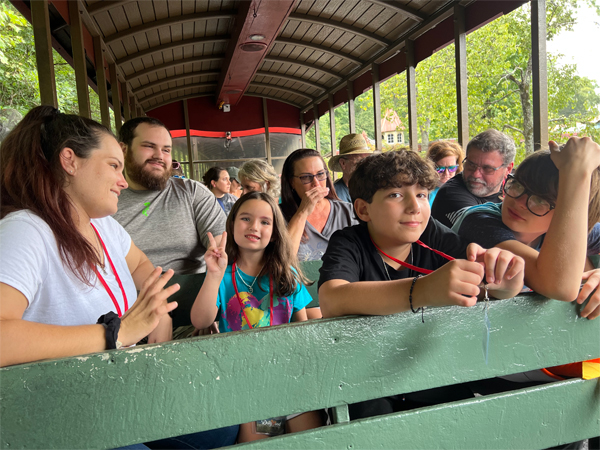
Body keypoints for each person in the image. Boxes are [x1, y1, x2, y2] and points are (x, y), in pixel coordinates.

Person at [0, 107, 239, 450]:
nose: (123, 180)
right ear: (71, 161)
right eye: (113, 165)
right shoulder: (26, 230)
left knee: (220, 429)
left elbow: (142, 266)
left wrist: (159, 312)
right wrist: (118, 332)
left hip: (116, 386)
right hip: (60, 408)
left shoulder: (101, 225)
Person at [317, 150, 524, 420]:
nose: (415, 206)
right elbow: (333, 299)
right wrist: (423, 290)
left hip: (430, 369)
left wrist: (507, 279)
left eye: (422, 194)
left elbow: (489, 286)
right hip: (366, 380)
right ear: (363, 209)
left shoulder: (432, 234)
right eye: (395, 194)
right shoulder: (349, 242)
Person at [190, 192, 322, 442]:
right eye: (246, 218)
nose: (254, 227)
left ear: (274, 232)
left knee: (312, 440)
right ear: (231, 225)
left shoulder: (287, 274)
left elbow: (301, 328)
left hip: (289, 378)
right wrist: (213, 275)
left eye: (264, 221)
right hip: (246, 383)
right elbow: (201, 321)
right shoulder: (224, 275)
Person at [452, 137, 600, 321]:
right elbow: (559, 287)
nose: (520, 202)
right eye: (518, 185)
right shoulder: (479, 220)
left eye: (540, 201)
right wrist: (577, 174)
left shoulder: (579, 230)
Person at [113, 117, 226, 275]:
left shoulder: (192, 192)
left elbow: (219, 242)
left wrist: (219, 254)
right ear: (123, 150)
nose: (159, 156)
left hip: (195, 291)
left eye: (166, 150)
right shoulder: (106, 200)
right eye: (148, 146)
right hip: (132, 295)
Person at [280, 149, 357, 262]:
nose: (316, 183)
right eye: (306, 177)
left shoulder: (349, 211)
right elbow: (283, 260)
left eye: (320, 174)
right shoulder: (277, 215)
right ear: (292, 182)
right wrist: (302, 212)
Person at [432, 129, 515, 228]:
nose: (476, 175)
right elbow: (487, 232)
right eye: (471, 165)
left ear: (508, 169)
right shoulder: (450, 194)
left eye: (487, 168)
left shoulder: (515, 189)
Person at [328, 133, 373, 203]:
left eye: (366, 160)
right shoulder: (334, 195)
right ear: (343, 163)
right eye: (359, 161)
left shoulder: (372, 187)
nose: (364, 166)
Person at [425, 140, 464, 206]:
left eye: (452, 168)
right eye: (440, 169)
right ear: (431, 168)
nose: (447, 174)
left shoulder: (463, 189)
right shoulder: (424, 192)